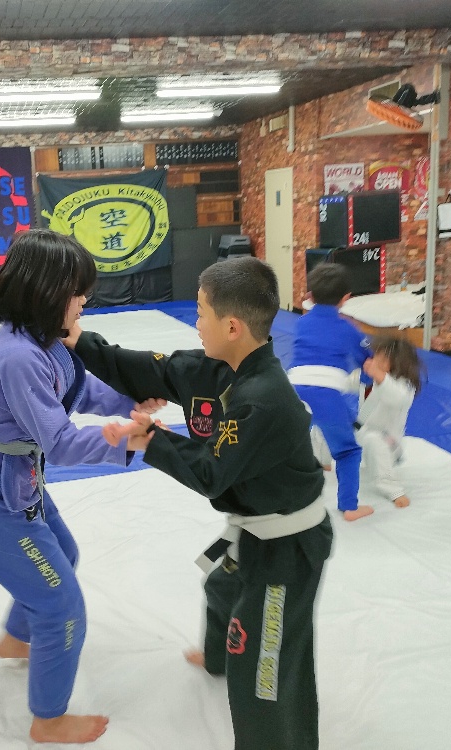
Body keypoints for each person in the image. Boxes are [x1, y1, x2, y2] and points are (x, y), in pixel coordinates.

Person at [66, 257, 333, 750]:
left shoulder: (263, 399)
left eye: (201, 312)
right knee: (220, 585)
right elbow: (150, 368)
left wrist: (151, 439)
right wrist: (78, 340)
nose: (196, 322)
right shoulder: (215, 369)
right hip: (253, 526)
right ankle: (218, 654)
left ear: (232, 327)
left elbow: (212, 472)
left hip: (288, 547)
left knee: (264, 668)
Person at [0, 229, 160, 745]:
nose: (84, 301)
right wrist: (124, 443)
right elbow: (60, 443)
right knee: (61, 606)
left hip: (14, 481)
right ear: (46, 293)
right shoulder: (18, 355)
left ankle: (15, 640)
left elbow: (79, 389)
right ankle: (48, 718)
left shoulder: (40, 342)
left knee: (64, 552)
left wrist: (130, 402)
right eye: (77, 293)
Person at [288, 264, 374, 522]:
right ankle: (349, 506)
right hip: (326, 394)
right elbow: (368, 362)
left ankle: (283, 500)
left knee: (288, 448)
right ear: (346, 297)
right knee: (348, 451)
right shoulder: (348, 329)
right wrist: (368, 379)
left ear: (311, 295)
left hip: (292, 391)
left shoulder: (302, 322)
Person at [356, 336, 423, 508]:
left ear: (399, 363)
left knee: (373, 440)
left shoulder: (403, 386)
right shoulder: (369, 379)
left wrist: (379, 375)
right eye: (376, 356)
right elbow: (347, 381)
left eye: (383, 359)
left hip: (388, 444)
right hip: (360, 435)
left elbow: (398, 398)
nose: (376, 361)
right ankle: (320, 462)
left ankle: (393, 490)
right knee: (329, 422)